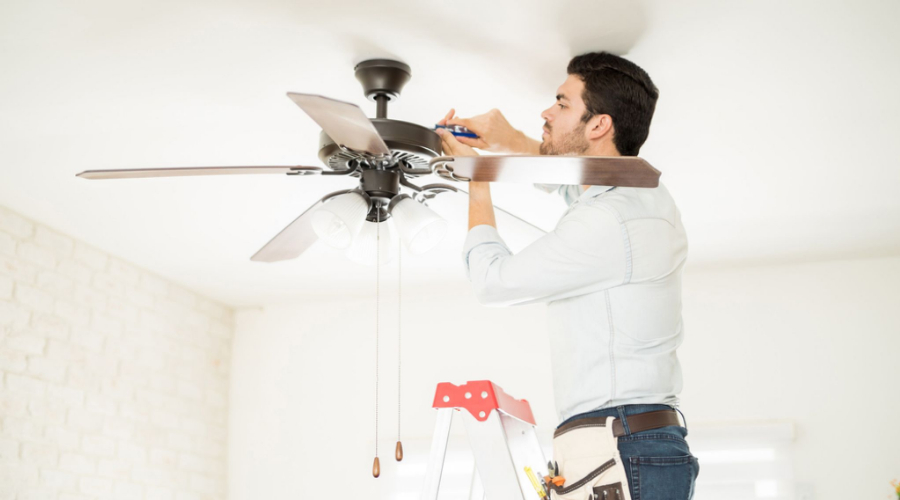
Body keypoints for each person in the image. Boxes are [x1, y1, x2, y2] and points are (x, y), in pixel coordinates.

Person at [435, 51, 699, 498]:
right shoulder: (636, 197)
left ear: (599, 125)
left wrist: (477, 180)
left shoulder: (609, 221)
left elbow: (494, 282)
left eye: (561, 103)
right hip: (623, 439)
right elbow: (565, 176)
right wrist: (507, 139)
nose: (546, 111)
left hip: (620, 441)